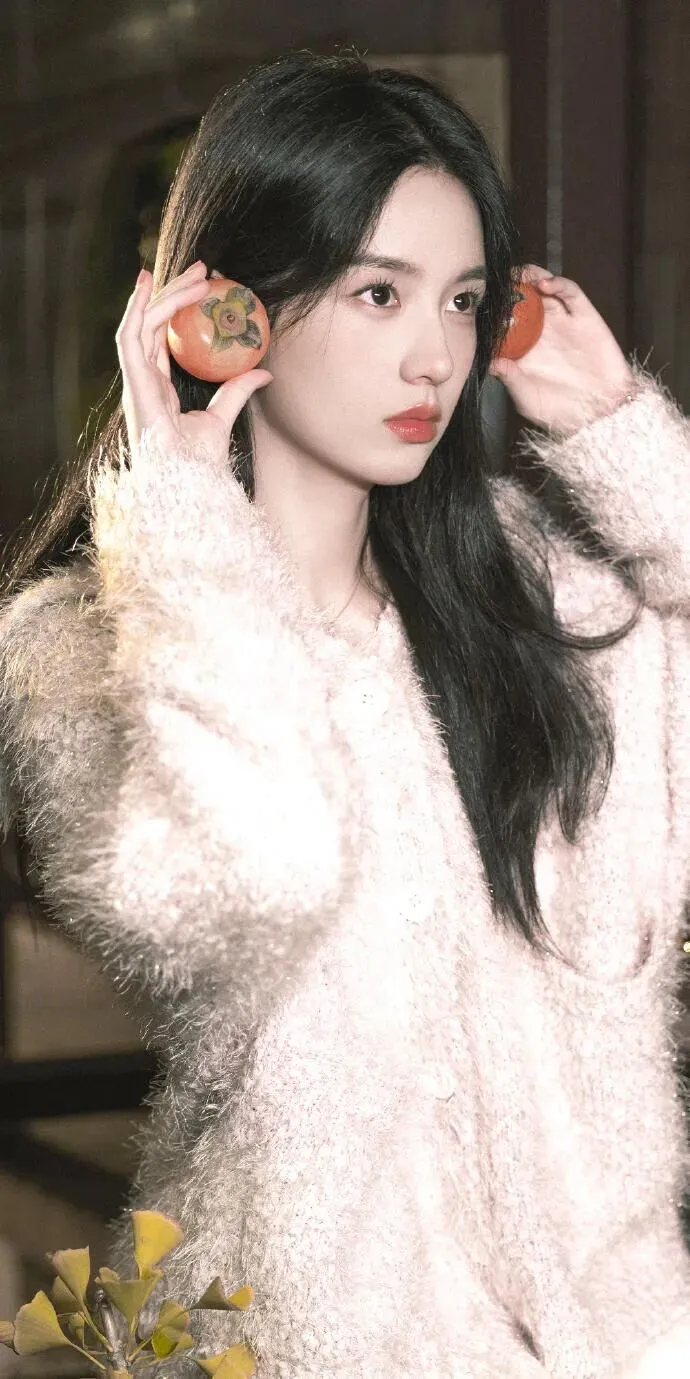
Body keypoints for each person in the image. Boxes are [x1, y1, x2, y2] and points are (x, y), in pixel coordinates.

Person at [1, 48, 689, 1379]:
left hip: (621, 1331)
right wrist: (184, 521)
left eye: (464, 301)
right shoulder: (91, 647)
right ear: (230, 311)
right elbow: (264, 874)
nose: (435, 356)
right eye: (379, 293)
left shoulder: (531, 597)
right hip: (310, 1343)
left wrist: (619, 435)